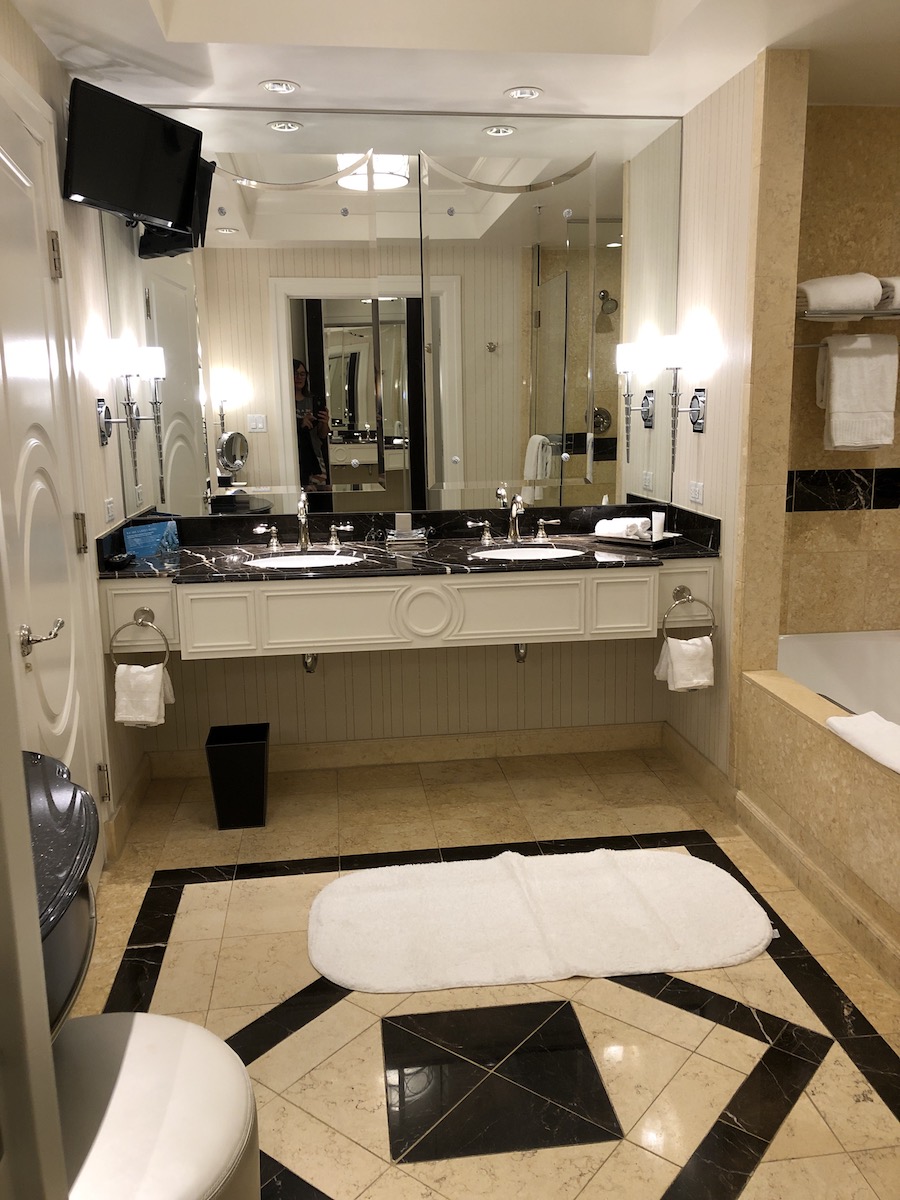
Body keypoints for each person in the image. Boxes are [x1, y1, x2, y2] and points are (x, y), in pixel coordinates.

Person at [293, 359, 331, 490]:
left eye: (302, 374)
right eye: (295, 373)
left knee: (319, 498)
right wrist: (300, 422)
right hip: (295, 458)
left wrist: (325, 422)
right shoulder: (286, 402)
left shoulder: (312, 401)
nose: (299, 378)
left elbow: (322, 434)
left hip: (316, 457)